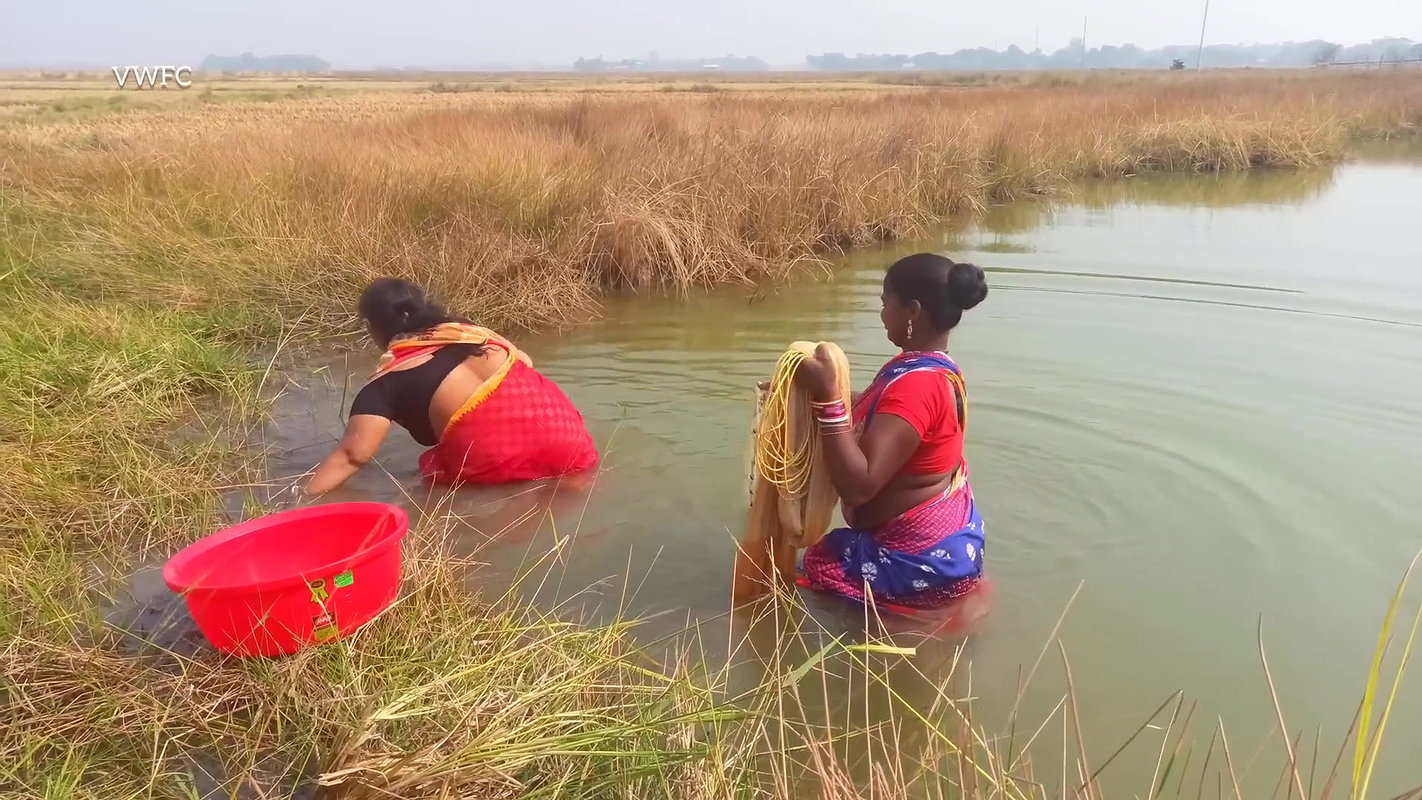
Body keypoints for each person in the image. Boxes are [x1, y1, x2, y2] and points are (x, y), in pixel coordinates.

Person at [794, 253, 988, 610]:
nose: (882, 314)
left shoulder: (915, 387)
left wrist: (826, 397)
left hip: (914, 568)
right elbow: (880, 414)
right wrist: (800, 397)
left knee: (795, 579)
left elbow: (860, 484)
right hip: (947, 553)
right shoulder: (936, 371)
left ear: (912, 311)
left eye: (886, 303)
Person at [302, 279, 599, 497]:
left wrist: (300, 498)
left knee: (430, 480)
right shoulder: (474, 335)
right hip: (572, 441)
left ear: (371, 327)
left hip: (499, 465)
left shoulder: (386, 384)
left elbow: (351, 456)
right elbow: (525, 363)